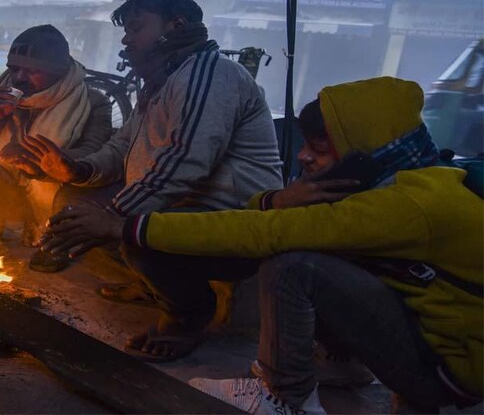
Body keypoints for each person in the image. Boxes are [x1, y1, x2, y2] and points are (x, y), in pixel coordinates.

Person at [46, 77, 483, 414]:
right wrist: (276, 199)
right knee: (314, 248)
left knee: (294, 265)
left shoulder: (406, 205)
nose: (304, 158)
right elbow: (273, 216)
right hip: (436, 339)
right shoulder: (403, 181)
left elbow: (259, 233)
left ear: (364, 151)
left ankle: (285, 397)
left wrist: (123, 227)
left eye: (319, 148)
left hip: (450, 369)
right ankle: (342, 363)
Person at [22, 0, 282, 359]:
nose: (127, 39)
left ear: (176, 26)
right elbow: (121, 147)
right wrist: (76, 168)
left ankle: (188, 316)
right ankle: (153, 284)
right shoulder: (161, 81)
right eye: (126, 30)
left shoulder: (209, 74)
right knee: (73, 200)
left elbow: (185, 162)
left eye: (137, 27)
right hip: (179, 208)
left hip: (232, 220)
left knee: (131, 232)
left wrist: (112, 217)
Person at [0, 25, 112, 267]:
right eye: (14, 69)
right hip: (5, 184)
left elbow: (94, 157)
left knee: (55, 176)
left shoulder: (92, 101)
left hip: (49, 193)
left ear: (58, 71)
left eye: (32, 71)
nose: (20, 78)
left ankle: (50, 236)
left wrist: (43, 161)